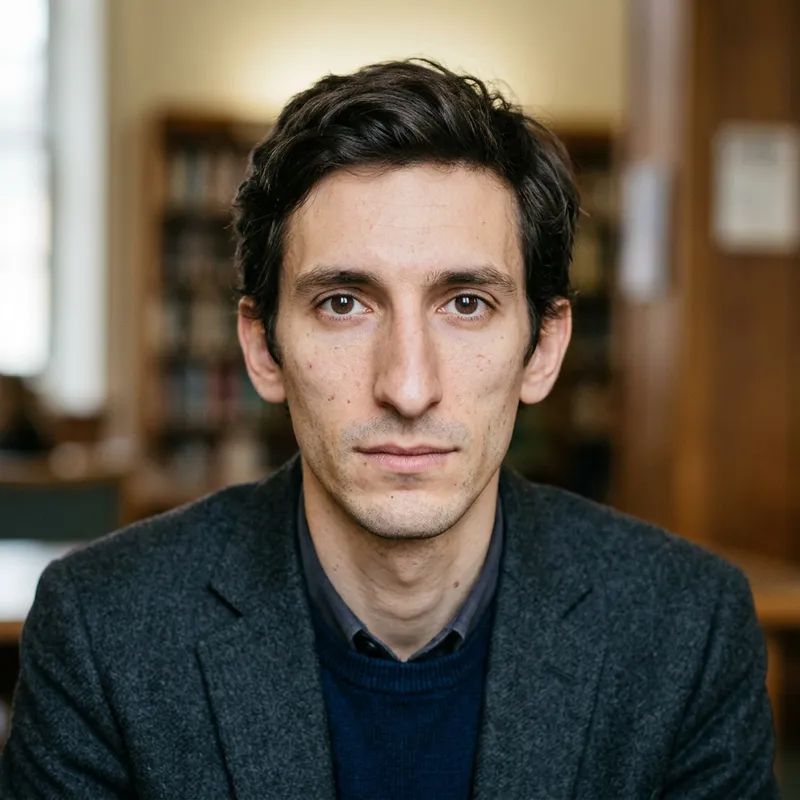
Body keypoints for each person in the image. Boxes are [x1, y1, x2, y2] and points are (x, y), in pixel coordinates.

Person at [0, 60, 778, 800]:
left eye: (466, 303)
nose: (408, 385)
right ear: (262, 348)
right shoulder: (102, 630)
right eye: (343, 303)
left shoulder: (687, 630)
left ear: (542, 350)